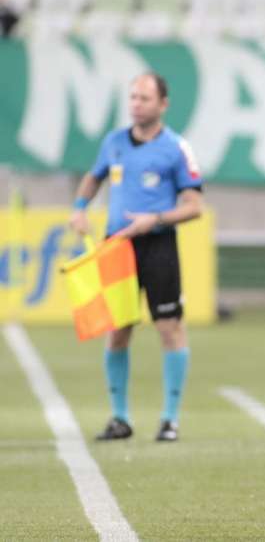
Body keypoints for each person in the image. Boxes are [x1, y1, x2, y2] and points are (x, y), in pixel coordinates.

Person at [69, 73, 204, 442]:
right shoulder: (113, 142)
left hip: (158, 245)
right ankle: (120, 418)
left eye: (144, 98)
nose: (136, 104)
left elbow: (194, 206)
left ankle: (169, 419)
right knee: (117, 330)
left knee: (169, 328)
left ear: (163, 104)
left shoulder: (176, 148)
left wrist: (155, 219)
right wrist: (80, 208)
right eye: (132, 97)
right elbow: (92, 178)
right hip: (117, 248)